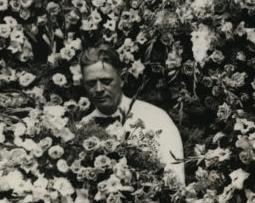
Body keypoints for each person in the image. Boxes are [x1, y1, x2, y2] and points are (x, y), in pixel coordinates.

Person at [79, 46, 185, 186]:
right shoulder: (81, 129)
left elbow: (175, 181)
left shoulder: (156, 118)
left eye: (106, 81)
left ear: (122, 78)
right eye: (91, 83)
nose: (98, 89)